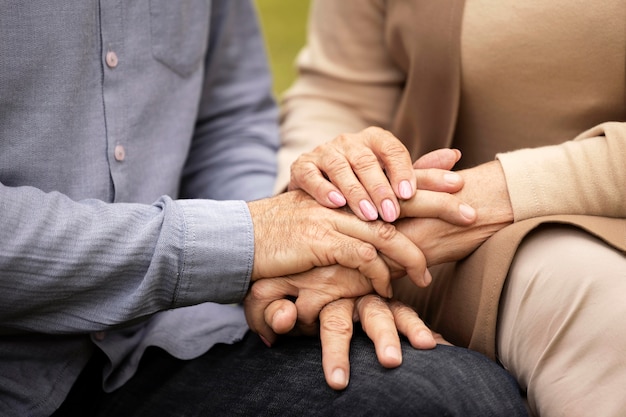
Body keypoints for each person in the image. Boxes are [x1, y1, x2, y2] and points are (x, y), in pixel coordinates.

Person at [0, 1, 529, 416]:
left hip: (163, 339)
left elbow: (228, 122)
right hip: (19, 373)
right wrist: (254, 242)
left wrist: (310, 269)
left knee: (452, 398)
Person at [272, 1, 626, 416]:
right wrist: (311, 231)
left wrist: (485, 196)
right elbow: (340, 91)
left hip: (582, 250)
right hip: (407, 254)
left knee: (599, 305)